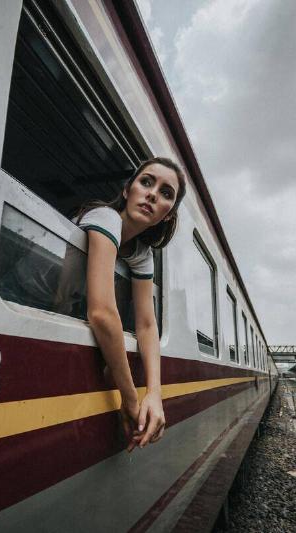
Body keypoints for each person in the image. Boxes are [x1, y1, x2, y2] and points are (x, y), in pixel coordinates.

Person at [76, 157, 186, 451]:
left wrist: (155, 394)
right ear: (127, 190)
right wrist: (131, 398)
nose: (152, 194)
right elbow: (101, 312)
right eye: (146, 182)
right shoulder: (104, 217)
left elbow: (148, 326)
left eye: (166, 193)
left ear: (167, 215)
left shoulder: (141, 254)